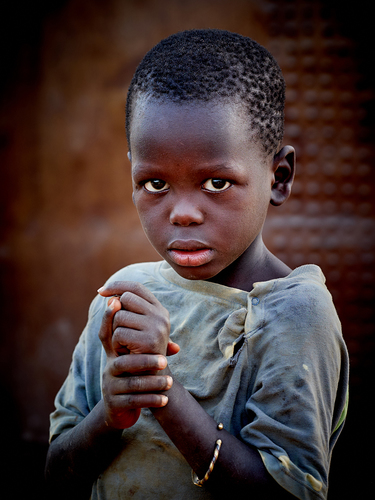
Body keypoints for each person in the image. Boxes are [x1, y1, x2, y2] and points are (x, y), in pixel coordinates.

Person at [45, 30, 349, 500]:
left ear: (278, 177)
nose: (183, 213)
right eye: (154, 184)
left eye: (216, 182)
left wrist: (163, 393)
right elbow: (56, 473)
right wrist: (109, 416)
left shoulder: (294, 313)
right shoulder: (124, 298)